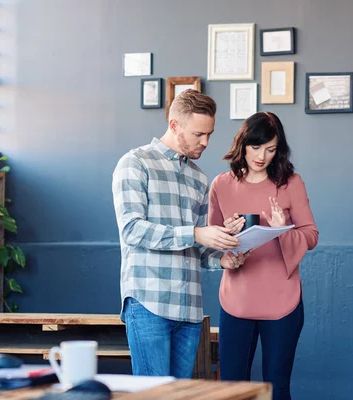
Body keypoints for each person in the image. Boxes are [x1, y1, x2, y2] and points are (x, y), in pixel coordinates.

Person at [112, 89, 246, 378]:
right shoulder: (135, 163)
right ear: (174, 125)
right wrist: (197, 234)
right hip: (149, 303)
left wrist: (222, 256)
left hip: (189, 311)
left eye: (209, 134)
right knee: (152, 397)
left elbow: (197, 247)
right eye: (199, 134)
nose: (206, 142)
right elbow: (132, 230)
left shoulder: (198, 177)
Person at [208, 111, 318, 400]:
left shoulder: (290, 182)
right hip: (236, 299)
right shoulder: (220, 184)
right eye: (256, 148)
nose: (262, 156)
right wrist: (227, 236)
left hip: (282, 299)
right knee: (232, 389)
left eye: (270, 149)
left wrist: (283, 229)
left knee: (276, 388)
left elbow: (311, 235)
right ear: (243, 144)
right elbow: (211, 241)